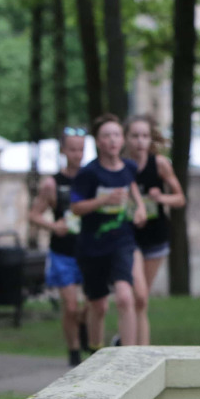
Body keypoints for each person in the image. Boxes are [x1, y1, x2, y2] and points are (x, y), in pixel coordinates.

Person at [71, 114, 148, 348]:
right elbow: (75, 207)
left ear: (122, 140)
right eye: (106, 136)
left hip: (121, 242)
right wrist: (103, 201)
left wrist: (140, 208)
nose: (112, 140)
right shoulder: (88, 173)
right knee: (99, 306)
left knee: (125, 297)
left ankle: (129, 356)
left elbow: (131, 186)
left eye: (116, 135)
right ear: (98, 141)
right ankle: (95, 351)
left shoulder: (129, 167)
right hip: (92, 246)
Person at [29, 127, 89, 365]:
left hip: (90, 251)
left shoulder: (92, 178)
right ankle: (74, 352)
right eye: (73, 149)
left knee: (91, 306)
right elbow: (34, 215)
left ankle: (84, 329)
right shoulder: (52, 183)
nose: (77, 154)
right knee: (71, 307)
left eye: (81, 149)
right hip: (63, 252)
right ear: (63, 150)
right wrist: (54, 226)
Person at [125, 115, 186, 345]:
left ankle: (137, 346)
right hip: (128, 237)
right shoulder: (119, 165)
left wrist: (161, 198)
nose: (140, 141)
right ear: (126, 138)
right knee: (138, 295)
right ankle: (131, 344)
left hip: (155, 235)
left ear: (151, 139)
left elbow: (180, 198)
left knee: (142, 300)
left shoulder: (159, 164)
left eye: (145, 136)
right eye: (135, 136)